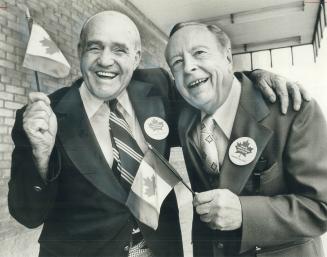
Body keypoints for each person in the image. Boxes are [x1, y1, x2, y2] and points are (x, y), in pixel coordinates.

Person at [8, 11, 306, 257]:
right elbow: (27, 215)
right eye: (95, 47)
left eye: (120, 50)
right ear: (80, 52)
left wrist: (254, 78)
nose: (106, 60)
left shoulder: (157, 87)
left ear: (137, 58)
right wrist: (41, 155)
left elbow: (208, 91)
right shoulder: (43, 117)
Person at [165, 21, 327, 257]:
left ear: (228, 57)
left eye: (199, 52)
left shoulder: (292, 110)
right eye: (177, 63)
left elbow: (321, 207)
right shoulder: (183, 114)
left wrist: (244, 213)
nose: (188, 67)